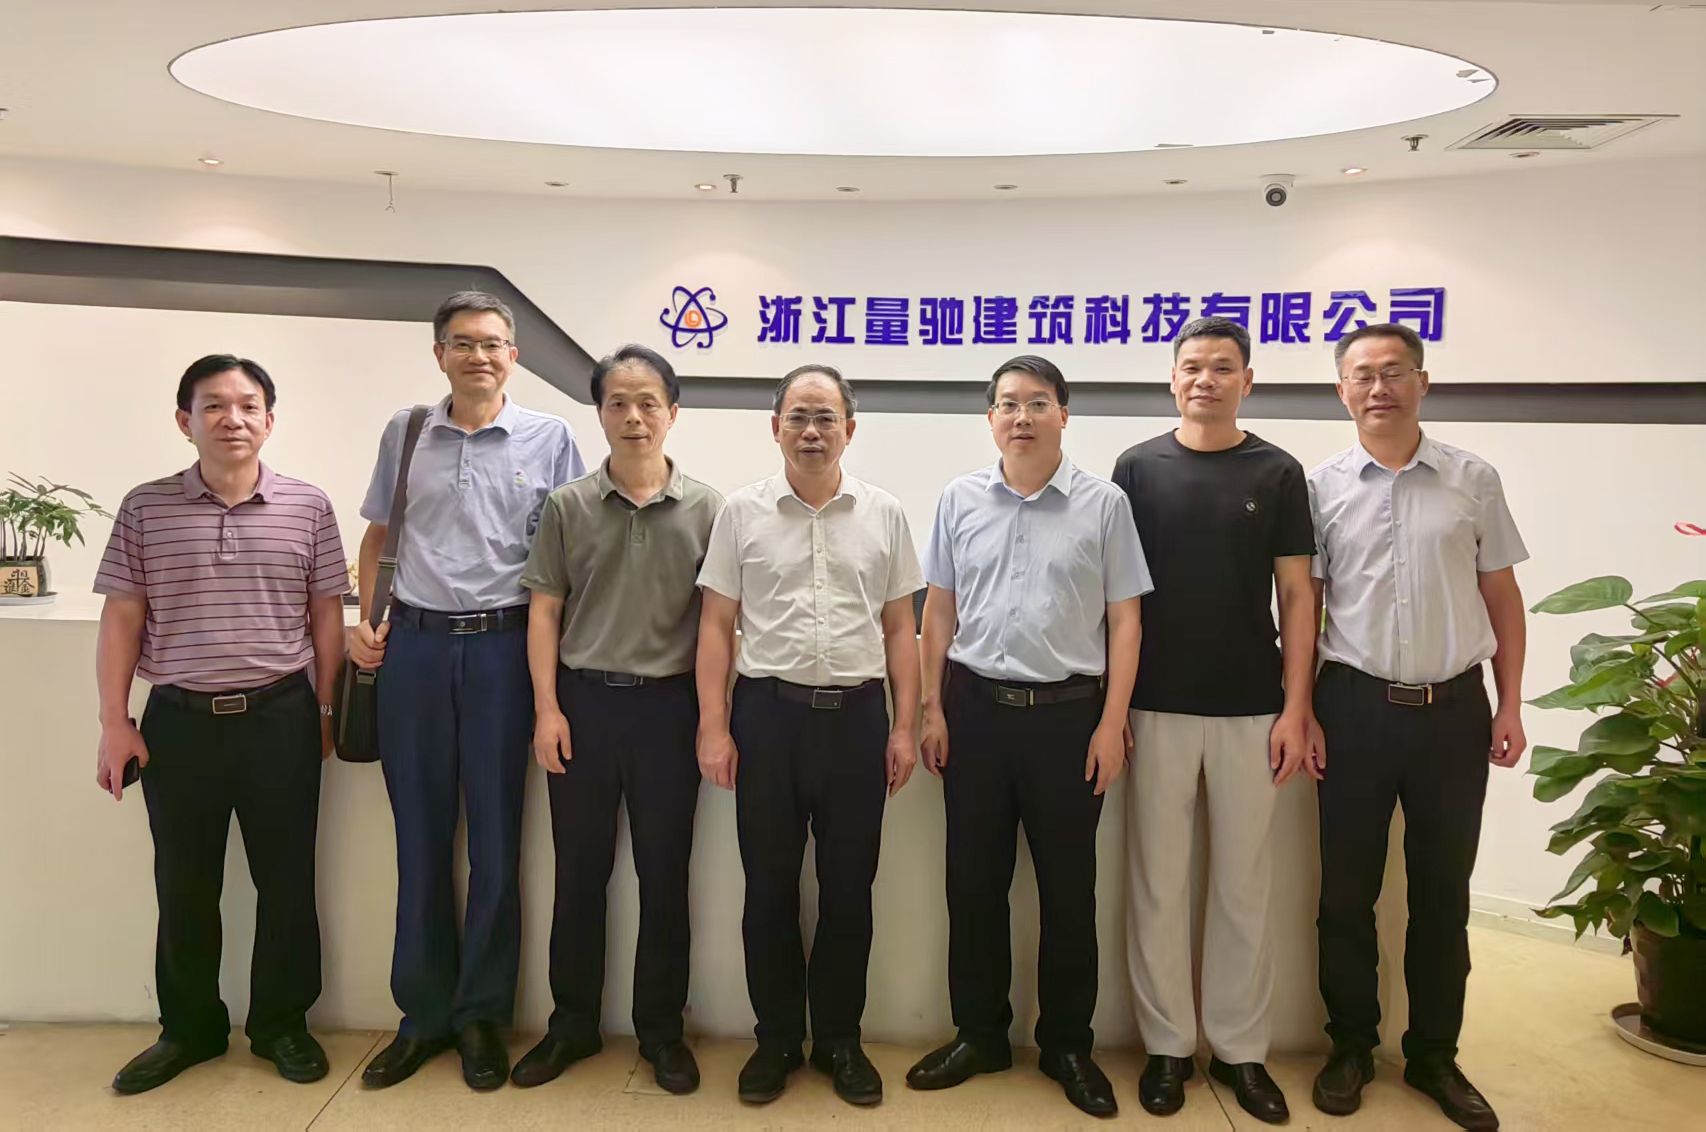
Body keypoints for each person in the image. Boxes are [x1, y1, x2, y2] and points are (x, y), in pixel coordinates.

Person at [94, 354, 348, 1094]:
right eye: (213, 406)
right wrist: (115, 721)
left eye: (247, 405)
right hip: (178, 723)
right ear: (186, 421)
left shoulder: (308, 505)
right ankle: (189, 1030)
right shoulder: (145, 507)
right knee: (183, 884)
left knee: (287, 881)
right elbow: (123, 616)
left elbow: (326, 617)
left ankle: (281, 1026)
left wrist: (326, 711)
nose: (231, 419)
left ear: (269, 420)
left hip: (281, 717)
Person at [353, 291, 585, 1091]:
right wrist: (367, 621)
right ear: (439, 354)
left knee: (495, 842)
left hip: (503, 652)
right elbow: (379, 537)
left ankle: (483, 1016)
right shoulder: (407, 431)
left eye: (492, 343)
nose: (479, 356)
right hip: (414, 651)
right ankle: (422, 1018)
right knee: (418, 839)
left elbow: (568, 557)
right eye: (463, 343)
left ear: (513, 355)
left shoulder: (550, 438)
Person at [906, 355, 1148, 1118]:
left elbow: (1125, 620)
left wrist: (1112, 721)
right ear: (990, 419)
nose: (1021, 416)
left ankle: (1067, 1045)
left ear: (1063, 415)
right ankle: (979, 1034)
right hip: (974, 712)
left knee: (1068, 891)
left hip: (1070, 719)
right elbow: (938, 609)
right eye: (1008, 404)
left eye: (1037, 402)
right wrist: (931, 708)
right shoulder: (959, 499)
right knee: (973, 885)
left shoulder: (1104, 504)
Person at [1308, 323, 1528, 1131]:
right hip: (1352, 709)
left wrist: (1510, 703)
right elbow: (1305, 607)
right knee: (1346, 894)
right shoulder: (1319, 487)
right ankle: (1351, 1045)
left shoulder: (1473, 479)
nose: (1379, 387)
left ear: (1422, 382)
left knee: (1442, 895)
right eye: (1362, 374)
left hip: (1453, 713)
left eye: (1394, 371)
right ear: (1342, 390)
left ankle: (1435, 1054)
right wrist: (1302, 709)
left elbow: (1502, 597)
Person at [694, 364, 923, 1107]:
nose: (812, 431)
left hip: (857, 722)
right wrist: (714, 726)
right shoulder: (741, 512)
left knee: (849, 891)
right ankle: (776, 1041)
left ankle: (840, 1042)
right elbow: (717, 625)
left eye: (826, 418)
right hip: (767, 718)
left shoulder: (884, 513)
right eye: (798, 417)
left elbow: (900, 628)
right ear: (775, 428)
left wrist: (906, 726)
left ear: (850, 429)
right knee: (767, 890)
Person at [1110, 317, 1318, 1124]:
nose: (1206, 379)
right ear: (1172, 379)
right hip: (1154, 704)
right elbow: (1118, 601)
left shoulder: (1278, 471)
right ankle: (1167, 1047)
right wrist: (1114, 708)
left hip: (1251, 707)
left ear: (1247, 380)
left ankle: (1239, 1051)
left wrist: (1297, 706)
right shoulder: (1137, 468)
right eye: (1192, 366)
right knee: (1158, 883)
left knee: (1242, 884)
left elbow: (1297, 595)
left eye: (1222, 367)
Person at [512, 345, 722, 1093]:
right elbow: (544, 611)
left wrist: (712, 719)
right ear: (599, 413)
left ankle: (662, 1031)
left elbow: (718, 624)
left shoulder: (709, 508)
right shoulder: (568, 505)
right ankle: (571, 1026)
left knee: (664, 877)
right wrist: (547, 709)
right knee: (579, 874)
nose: (634, 417)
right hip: (584, 707)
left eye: (648, 403)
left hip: (670, 710)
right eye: (617, 404)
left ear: (672, 413)